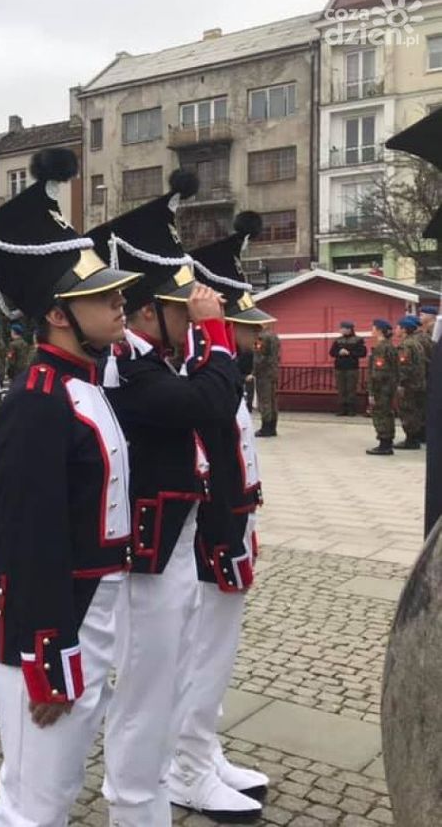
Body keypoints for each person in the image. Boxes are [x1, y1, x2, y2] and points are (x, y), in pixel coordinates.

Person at [0, 147, 141, 825]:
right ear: (60, 314)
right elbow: (28, 538)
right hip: (43, 621)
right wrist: (50, 649)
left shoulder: (80, 384)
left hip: (82, 610)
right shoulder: (38, 401)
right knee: (42, 797)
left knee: (43, 788)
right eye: (103, 295)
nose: (121, 300)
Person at [87, 169, 242, 827]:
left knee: (166, 677)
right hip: (147, 552)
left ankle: (149, 793)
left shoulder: (158, 360)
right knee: (145, 688)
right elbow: (208, 400)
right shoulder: (131, 366)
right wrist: (217, 334)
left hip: (176, 541)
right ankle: (131, 804)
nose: (193, 317)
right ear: (149, 311)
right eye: (181, 309)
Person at [166, 212, 275, 821]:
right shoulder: (204, 378)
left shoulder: (228, 380)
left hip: (233, 529)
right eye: (245, 328)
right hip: (210, 539)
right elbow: (210, 468)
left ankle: (203, 750)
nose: (259, 338)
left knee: (216, 656)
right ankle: (185, 767)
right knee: (199, 656)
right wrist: (223, 541)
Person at [395, 315, 427, 449]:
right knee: (417, 410)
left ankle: (411, 440)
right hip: (419, 382)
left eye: (398, 327)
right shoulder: (416, 342)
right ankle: (417, 437)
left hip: (409, 384)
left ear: (404, 329)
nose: (396, 330)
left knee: (408, 411)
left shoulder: (406, 344)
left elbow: (404, 366)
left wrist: (400, 383)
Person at [367, 319, 398, 456]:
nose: (372, 330)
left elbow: (378, 372)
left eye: (373, 327)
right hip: (388, 386)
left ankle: (384, 444)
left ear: (379, 330)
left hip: (382, 388)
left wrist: (372, 392)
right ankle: (387, 443)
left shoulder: (382, 347)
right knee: (387, 413)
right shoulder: (389, 346)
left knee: (381, 414)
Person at [330, 321, 367, 416]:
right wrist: (339, 352)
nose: (341, 330)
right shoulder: (337, 340)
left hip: (352, 368)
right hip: (339, 367)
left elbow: (363, 353)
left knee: (351, 389)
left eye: (343, 328)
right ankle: (342, 409)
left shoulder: (358, 340)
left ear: (349, 329)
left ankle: (351, 409)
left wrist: (349, 353)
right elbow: (332, 352)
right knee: (341, 389)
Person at [253, 326, 280, 437]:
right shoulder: (275, 336)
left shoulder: (260, 337)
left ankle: (265, 428)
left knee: (264, 400)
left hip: (263, 373)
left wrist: (253, 372)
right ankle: (273, 427)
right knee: (272, 400)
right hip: (273, 371)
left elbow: (259, 357)